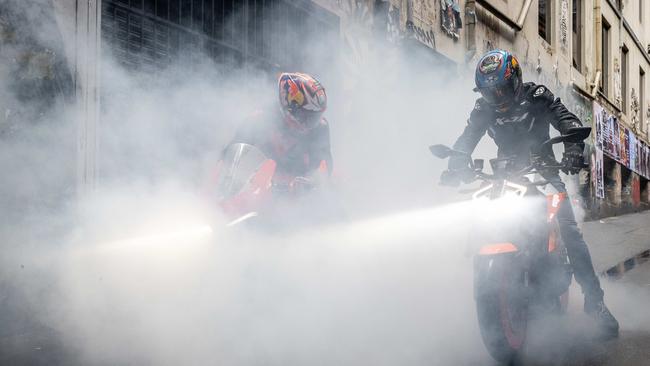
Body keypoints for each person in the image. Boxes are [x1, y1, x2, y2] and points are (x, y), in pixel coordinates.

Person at [441, 49, 619, 338]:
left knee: (569, 229)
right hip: (505, 175)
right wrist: (456, 162)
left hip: (545, 171)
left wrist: (574, 149)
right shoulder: (482, 109)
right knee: (484, 220)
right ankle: (501, 284)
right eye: (489, 93)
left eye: (501, 89)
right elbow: (466, 138)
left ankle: (594, 301)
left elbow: (567, 120)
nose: (496, 97)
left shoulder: (538, 96)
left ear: (515, 80)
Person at [229, 72, 333, 191]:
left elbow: (324, 165)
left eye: (316, 117)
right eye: (307, 117)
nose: (311, 124)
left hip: (295, 195)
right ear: (290, 107)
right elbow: (229, 157)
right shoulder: (259, 119)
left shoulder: (320, 128)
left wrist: (312, 181)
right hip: (256, 190)